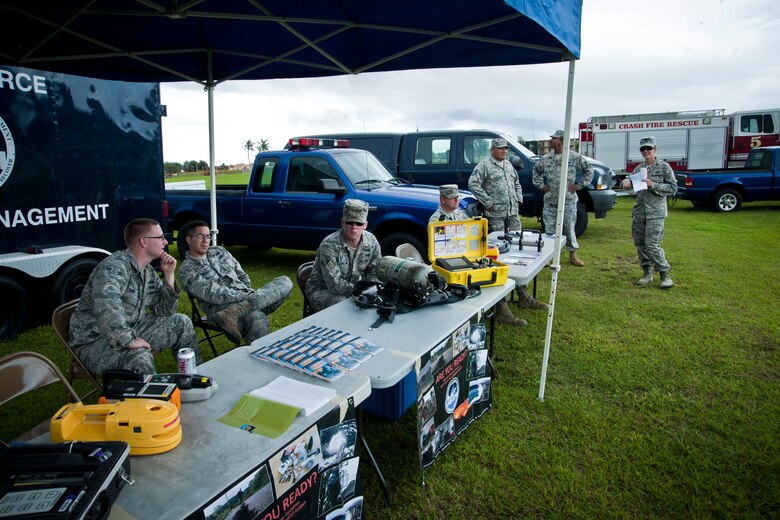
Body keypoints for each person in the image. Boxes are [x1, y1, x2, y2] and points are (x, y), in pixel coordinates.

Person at [69, 218, 201, 376]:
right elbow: (106, 306)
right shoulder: (114, 267)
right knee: (140, 356)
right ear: (143, 241)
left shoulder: (147, 271)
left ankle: (197, 377)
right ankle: (151, 399)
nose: (165, 241)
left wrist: (169, 276)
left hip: (132, 329)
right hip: (95, 341)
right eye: (160, 237)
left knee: (181, 323)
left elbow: (165, 311)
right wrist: (129, 341)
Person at [468, 137, 546, 326]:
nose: (504, 151)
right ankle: (501, 305)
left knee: (519, 253)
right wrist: (488, 202)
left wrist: (519, 197)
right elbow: (473, 184)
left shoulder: (509, 166)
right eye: (500, 148)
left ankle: (523, 294)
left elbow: (517, 183)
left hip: (512, 214)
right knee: (499, 257)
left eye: (505, 149)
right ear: (492, 150)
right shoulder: (484, 166)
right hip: (496, 216)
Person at [178, 221, 293, 344]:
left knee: (285, 281)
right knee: (255, 316)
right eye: (200, 236)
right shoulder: (187, 271)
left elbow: (241, 275)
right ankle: (257, 356)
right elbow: (213, 294)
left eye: (208, 236)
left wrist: (248, 297)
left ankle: (240, 310)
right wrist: (248, 296)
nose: (206, 240)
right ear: (188, 239)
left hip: (246, 300)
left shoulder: (219, 251)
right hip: (219, 310)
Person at [306, 199, 382, 312]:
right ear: (342, 222)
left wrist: (370, 291)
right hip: (322, 291)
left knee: (377, 302)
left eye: (359, 223)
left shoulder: (371, 241)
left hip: (355, 290)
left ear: (365, 225)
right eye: (350, 222)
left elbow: (374, 273)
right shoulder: (329, 245)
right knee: (345, 305)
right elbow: (334, 285)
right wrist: (361, 291)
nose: (354, 227)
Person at [622, 136, 678, 288]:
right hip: (640, 211)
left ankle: (665, 275)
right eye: (643, 149)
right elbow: (629, 180)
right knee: (640, 243)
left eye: (649, 148)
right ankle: (647, 274)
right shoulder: (639, 169)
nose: (646, 151)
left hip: (655, 212)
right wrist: (626, 182)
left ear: (655, 149)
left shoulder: (664, 167)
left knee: (652, 244)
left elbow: (673, 188)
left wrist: (653, 185)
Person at [532, 129, 593, 267]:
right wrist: (541, 185)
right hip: (551, 201)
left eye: (554, 138)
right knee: (549, 231)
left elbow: (589, 169)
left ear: (561, 141)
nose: (551, 140)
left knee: (569, 228)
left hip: (568, 200)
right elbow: (536, 171)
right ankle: (549, 256)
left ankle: (573, 255)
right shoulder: (546, 158)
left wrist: (579, 185)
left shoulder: (574, 157)